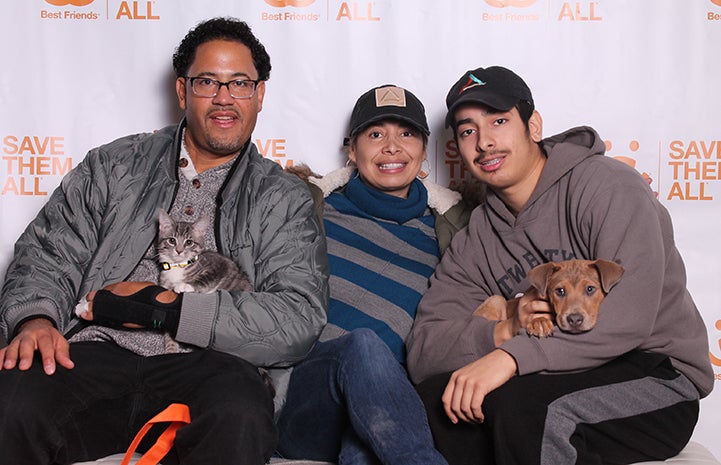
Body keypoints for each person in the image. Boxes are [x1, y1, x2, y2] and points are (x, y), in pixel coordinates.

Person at [0, 17, 328, 465]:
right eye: (208, 82)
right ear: (182, 91)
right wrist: (33, 319)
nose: (224, 98)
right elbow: (49, 251)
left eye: (240, 83)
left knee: (240, 414)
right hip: (93, 352)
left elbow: (296, 315)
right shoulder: (113, 166)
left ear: (260, 94)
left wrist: (162, 309)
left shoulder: (283, 197)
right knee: (13, 400)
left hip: (213, 364)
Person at [406, 66, 714, 465]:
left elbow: (630, 317)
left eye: (499, 121)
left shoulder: (606, 187)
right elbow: (425, 351)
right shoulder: (478, 236)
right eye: (467, 131)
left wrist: (513, 357)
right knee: (433, 401)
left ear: (533, 125)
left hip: (655, 374)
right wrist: (505, 331)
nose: (484, 142)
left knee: (525, 410)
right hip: (557, 372)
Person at [276, 84, 471, 465]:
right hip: (307, 396)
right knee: (363, 345)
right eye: (376, 134)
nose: (392, 147)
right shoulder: (308, 209)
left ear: (424, 149)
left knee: (365, 451)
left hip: (391, 404)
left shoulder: (452, 230)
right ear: (353, 150)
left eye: (407, 133)